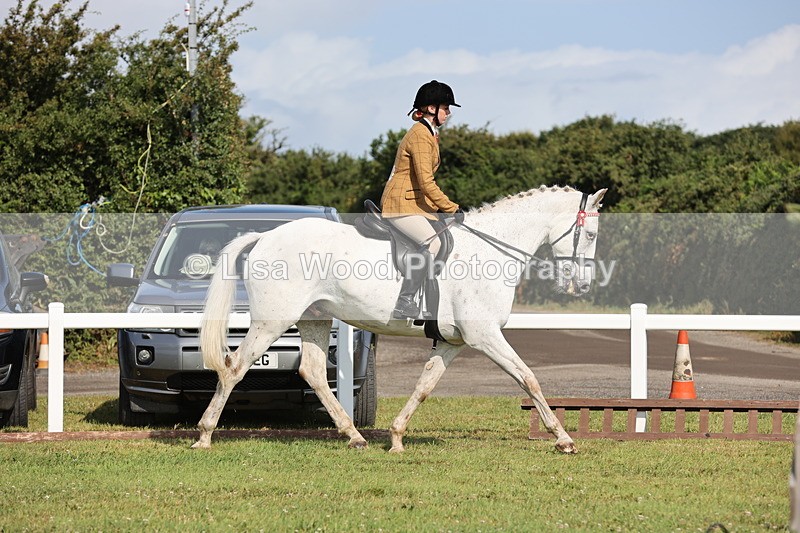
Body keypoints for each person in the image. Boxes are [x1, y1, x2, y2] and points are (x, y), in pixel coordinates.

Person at [380, 80, 465, 319]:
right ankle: (405, 301)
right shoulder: (419, 134)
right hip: (400, 204)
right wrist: (451, 207)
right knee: (432, 242)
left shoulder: (429, 133)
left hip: (414, 203)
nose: (448, 113)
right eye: (445, 107)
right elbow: (426, 182)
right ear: (430, 108)